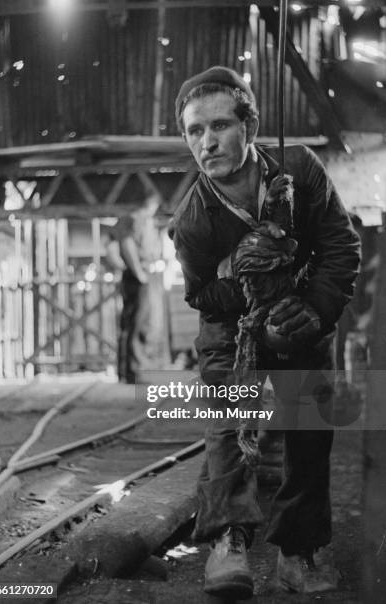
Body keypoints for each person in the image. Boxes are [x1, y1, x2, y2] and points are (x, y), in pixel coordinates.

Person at [169, 66, 361, 598]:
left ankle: (298, 551)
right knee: (230, 425)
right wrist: (241, 275)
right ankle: (228, 542)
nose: (207, 142)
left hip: (302, 311)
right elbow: (200, 295)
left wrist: (315, 311)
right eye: (194, 131)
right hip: (232, 330)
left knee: (309, 427)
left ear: (249, 126)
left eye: (220, 125)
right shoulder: (193, 220)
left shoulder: (299, 169)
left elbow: (340, 247)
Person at [106, 192, 161, 383]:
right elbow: (127, 244)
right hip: (137, 276)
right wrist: (138, 271)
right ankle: (134, 371)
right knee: (138, 323)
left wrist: (123, 267)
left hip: (131, 274)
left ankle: (125, 371)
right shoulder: (136, 220)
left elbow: (111, 248)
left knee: (129, 323)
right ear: (151, 205)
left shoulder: (124, 221)